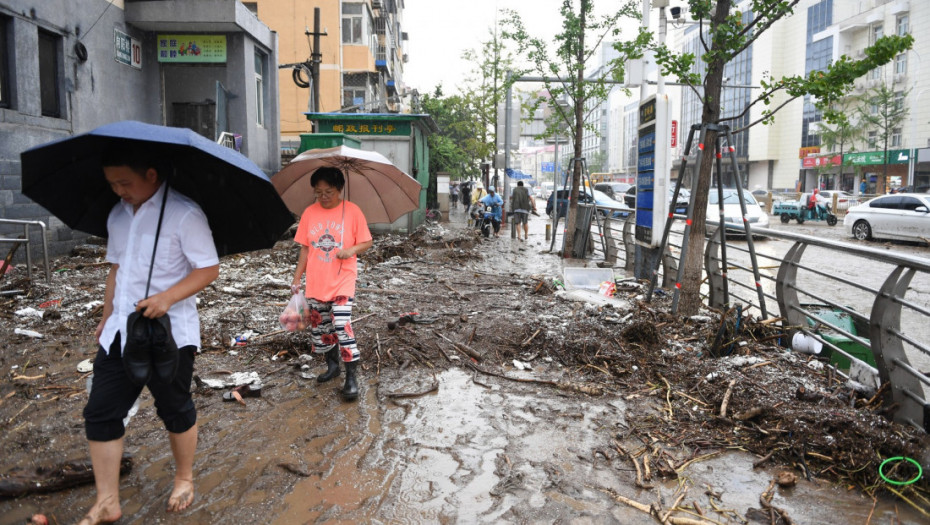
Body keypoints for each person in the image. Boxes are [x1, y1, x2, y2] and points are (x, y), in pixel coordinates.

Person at [81, 147, 220, 524]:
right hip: (120, 333)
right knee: (101, 412)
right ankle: (107, 501)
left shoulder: (184, 214)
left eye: (125, 182)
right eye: (112, 184)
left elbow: (208, 269)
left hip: (169, 334)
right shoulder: (118, 215)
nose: (118, 190)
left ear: (152, 176)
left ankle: (184, 477)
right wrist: (107, 315)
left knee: (174, 408)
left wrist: (167, 298)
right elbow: (116, 270)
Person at [291, 167, 373, 401]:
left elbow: (367, 241)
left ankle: (351, 378)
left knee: (342, 324)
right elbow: (305, 248)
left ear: (339, 189)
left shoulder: (353, 211)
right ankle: (333, 366)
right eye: (319, 192)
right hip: (317, 279)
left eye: (329, 191)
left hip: (343, 279)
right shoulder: (309, 213)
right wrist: (297, 277)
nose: (324, 196)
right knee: (322, 328)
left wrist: (350, 251)